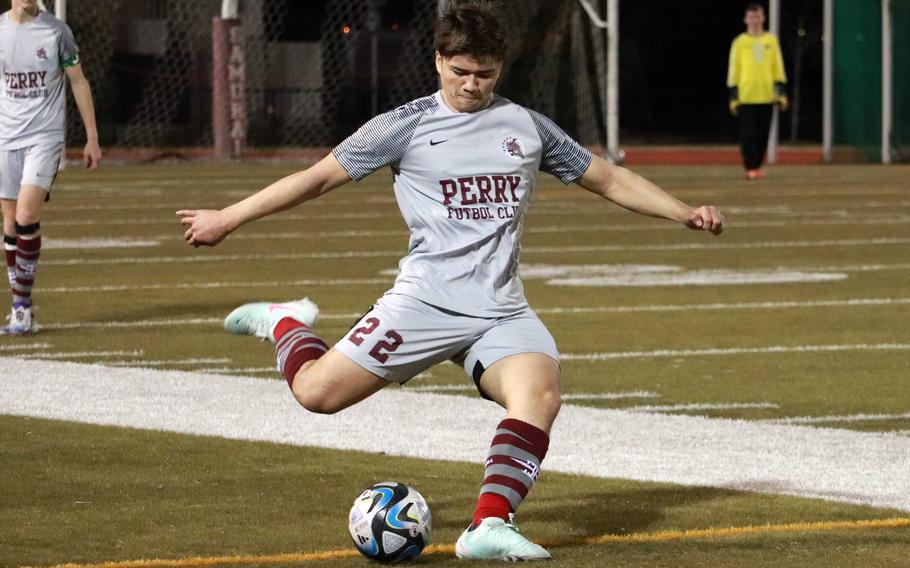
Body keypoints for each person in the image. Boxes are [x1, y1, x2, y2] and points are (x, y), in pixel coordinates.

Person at [179, 0, 724, 561]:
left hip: (501, 310)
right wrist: (228, 217)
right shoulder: (405, 126)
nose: (471, 84)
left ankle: (488, 525)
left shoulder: (526, 128)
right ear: (438, 60)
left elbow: (607, 178)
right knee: (316, 395)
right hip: (424, 304)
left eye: (484, 74)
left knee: (538, 394)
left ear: (500, 68)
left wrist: (682, 211)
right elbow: (317, 178)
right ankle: (285, 322)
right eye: (460, 71)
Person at [0, 0, 102, 334]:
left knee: (27, 216)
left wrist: (92, 137)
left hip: (44, 138)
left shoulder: (57, 31)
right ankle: (20, 305)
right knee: (10, 222)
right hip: (5, 138)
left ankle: (21, 308)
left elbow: (78, 81)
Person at [727, 2, 788, 181]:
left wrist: (780, 90)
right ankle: (749, 167)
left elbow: (778, 66)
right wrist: (733, 93)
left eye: (758, 16)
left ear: (763, 18)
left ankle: (758, 166)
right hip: (746, 96)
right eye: (751, 17)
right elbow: (734, 68)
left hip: (767, 96)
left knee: (763, 134)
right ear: (746, 19)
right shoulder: (739, 42)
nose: (755, 20)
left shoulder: (771, 41)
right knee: (748, 134)